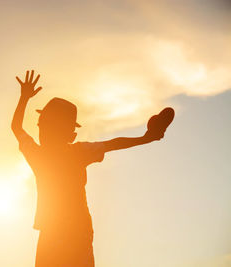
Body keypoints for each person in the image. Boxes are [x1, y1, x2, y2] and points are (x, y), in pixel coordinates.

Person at [11, 70, 168, 267]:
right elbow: (113, 143)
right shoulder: (77, 152)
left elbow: (16, 127)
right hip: (75, 230)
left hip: (54, 230)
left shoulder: (39, 154)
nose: (42, 128)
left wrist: (24, 98)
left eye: (45, 124)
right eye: (43, 124)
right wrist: (146, 138)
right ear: (71, 134)